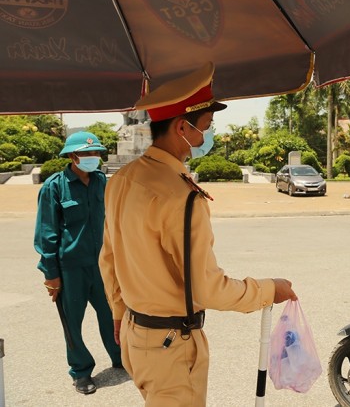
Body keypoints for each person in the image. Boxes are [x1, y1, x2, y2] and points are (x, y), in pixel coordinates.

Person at [99, 62, 297, 406]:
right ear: (181, 127)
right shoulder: (182, 197)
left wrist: (118, 313)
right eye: (204, 126)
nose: (206, 136)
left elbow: (109, 257)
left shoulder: (122, 179)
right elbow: (208, 288)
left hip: (136, 333)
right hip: (169, 345)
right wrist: (268, 290)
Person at [34, 131, 122, 395]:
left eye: (96, 153)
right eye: (87, 154)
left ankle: (121, 358)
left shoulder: (102, 182)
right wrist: (51, 274)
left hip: (104, 265)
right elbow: (46, 232)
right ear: (73, 156)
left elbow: (115, 222)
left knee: (113, 314)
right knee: (72, 322)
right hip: (70, 267)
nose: (92, 158)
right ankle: (81, 371)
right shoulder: (54, 186)